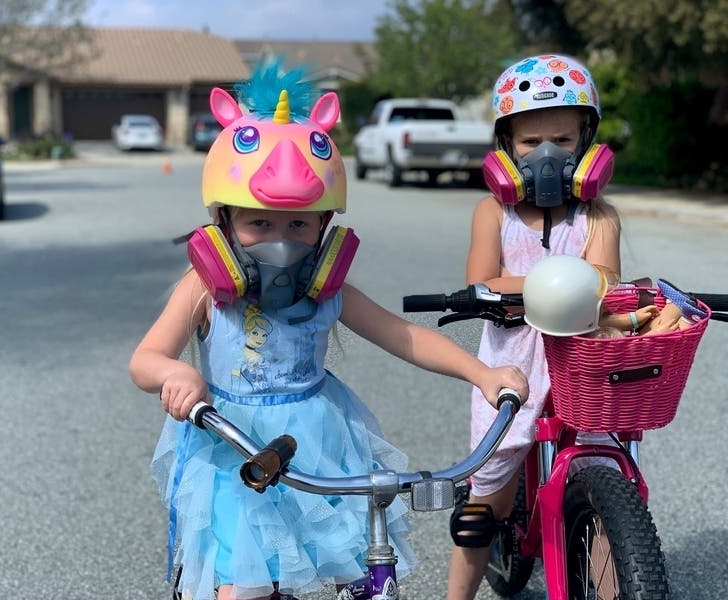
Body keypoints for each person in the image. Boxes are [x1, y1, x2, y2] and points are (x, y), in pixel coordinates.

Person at [129, 63, 529, 600]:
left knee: (358, 571)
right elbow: (145, 358)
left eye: (299, 224)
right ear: (223, 220)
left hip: (319, 445)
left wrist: (480, 373)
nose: (280, 241)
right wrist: (176, 373)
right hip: (232, 450)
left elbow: (402, 335)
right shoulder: (202, 287)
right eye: (259, 223)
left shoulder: (326, 292)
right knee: (242, 587)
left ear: (324, 226)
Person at [446, 54, 622, 600]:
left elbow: (605, 282)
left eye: (564, 141)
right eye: (529, 142)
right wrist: (559, 283)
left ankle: (618, 578)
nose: (547, 155)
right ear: (505, 147)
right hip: (513, 360)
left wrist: (541, 285)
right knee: (488, 495)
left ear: (588, 142)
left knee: (601, 473)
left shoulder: (600, 216)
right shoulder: (490, 214)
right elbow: (483, 280)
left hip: (580, 359)